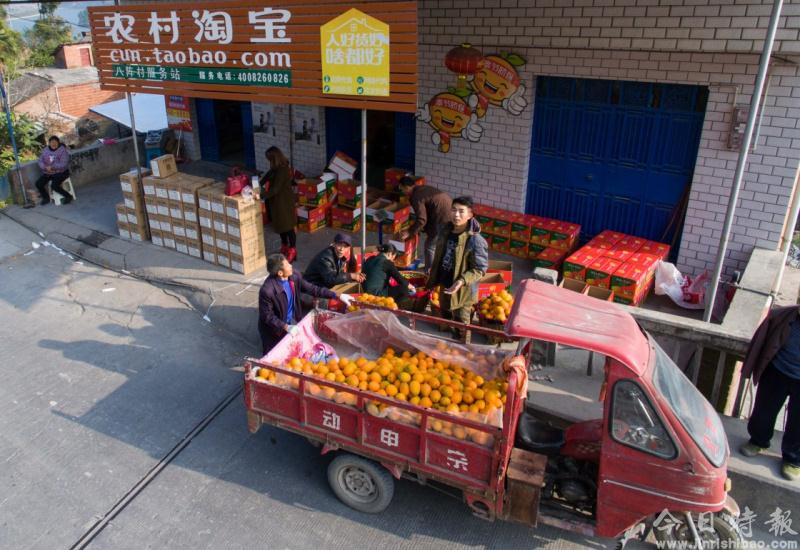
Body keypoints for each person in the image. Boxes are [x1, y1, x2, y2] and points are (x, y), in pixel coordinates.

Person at [740, 305, 800, 481]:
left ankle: (793, 459)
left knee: (798, 422)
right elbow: (760, 343)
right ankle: (758, 441)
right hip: (777, 371)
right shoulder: (780, 316)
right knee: (763, 412)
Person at [258, 253, 354, 355]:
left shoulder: (294, 276)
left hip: (290, 321)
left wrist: (337, 295)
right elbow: (267, 316)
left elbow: (313, 289)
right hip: (274, 329)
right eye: (287, 265)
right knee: (274, 356)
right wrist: (286, 327)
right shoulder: (267, 291)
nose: (291, 266)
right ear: (280, 273)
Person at [426, 196, 488, 336]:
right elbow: (441, 254)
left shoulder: (475, 240)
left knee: (462, 325)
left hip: (463, 291)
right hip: (445, 284)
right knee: (446, 318)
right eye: (454, 210)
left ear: (470, 214)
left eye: (461, 211)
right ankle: (447, 349)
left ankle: (463, 350)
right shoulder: (445, 231)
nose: (456, 215)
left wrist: (461, 280)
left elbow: (480, 269)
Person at [397, 176, 452, 270]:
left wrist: (410, 232)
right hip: (449, 215)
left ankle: (429, 272)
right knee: (440, 244)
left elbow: (422, 219)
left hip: (443, 220)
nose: (403, 193)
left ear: (406, 187)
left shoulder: (416, 196)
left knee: (430, 246)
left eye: (402, 190)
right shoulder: (422, 189)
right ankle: (436, 266)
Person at [260, 146, 297, 263]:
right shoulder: (274, 168)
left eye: (269, 159)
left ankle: (292, 250)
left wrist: (260, 195)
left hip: (284, 203)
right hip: (276, 202)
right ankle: (284, 246)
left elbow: (275, 189)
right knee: (280, 225)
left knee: (288, 227)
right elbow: (265, 178)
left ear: (274, 158)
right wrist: (256, 184)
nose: (268, 162)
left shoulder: (283, 170)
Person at [35, 136, 72, 206]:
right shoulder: (45, 150)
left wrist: (52, 167)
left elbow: (64, 164)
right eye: (52, 142)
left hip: (61, 172)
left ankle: (68, 196)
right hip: (48, 172)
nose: (54, 144)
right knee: (38, 183)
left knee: (54, 185)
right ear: (49, 143)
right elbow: (40, 161)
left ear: (58, 143)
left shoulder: (62, 150)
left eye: (55, 142)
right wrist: (45, 167)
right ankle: (46, 198)